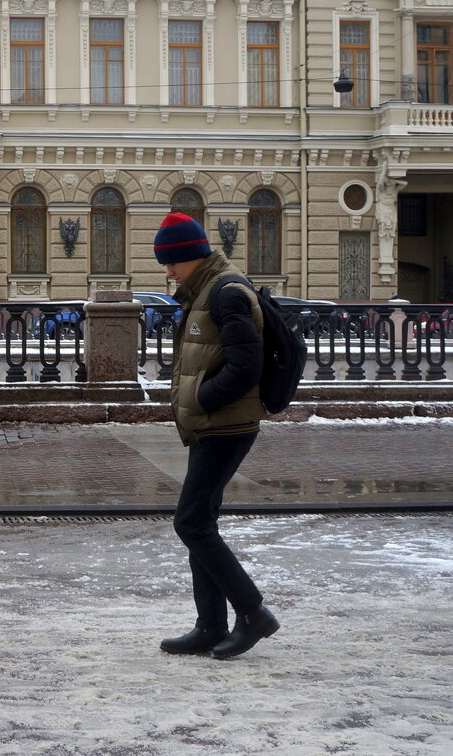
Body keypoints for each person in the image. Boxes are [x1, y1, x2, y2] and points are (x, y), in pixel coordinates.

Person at [153, 213, 280, 660]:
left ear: (191, 255)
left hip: (226, 425)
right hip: (212, 424)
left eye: (171, 262)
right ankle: (210, 625)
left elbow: (247, 366)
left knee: (190, 522)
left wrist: (202, 400)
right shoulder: (206, 289)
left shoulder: (225, 292)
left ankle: (253, 614)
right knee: (200, 523)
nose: (167, 271)